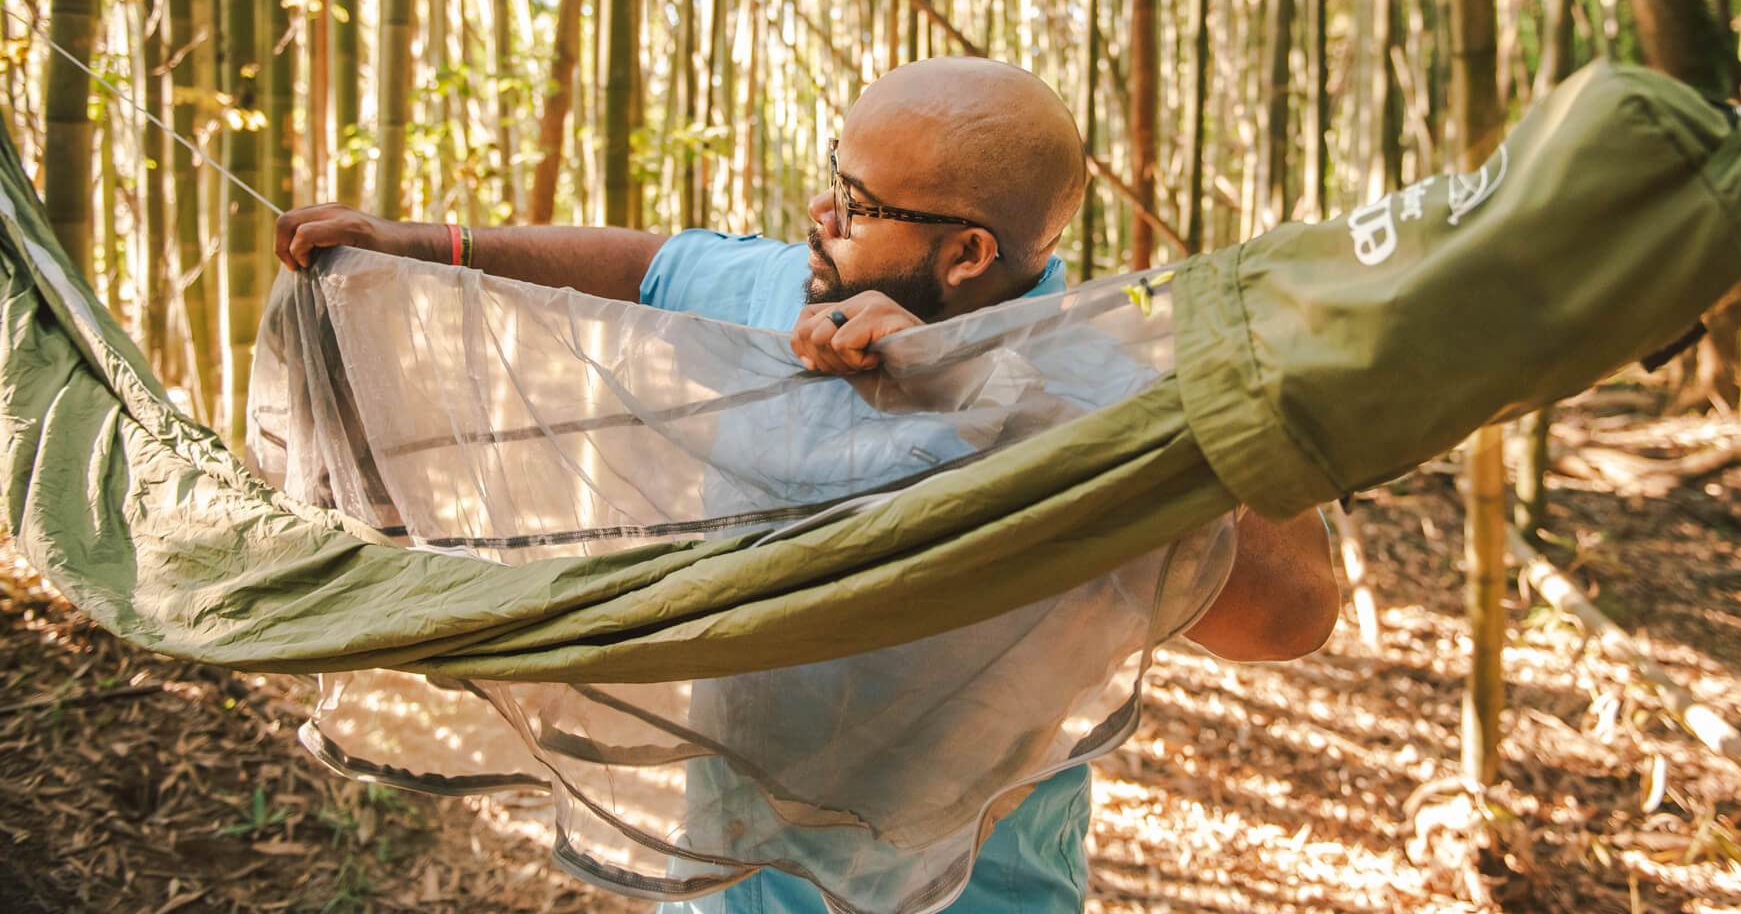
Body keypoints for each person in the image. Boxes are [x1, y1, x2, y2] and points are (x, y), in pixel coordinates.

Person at [274, 55, 1340, 913]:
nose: (818, 214)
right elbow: (648, 266)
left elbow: (1290, 613)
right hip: (732, 879)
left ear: (967, 253)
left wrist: (983, 383)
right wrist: (422, 244)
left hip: (979, 889)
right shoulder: (787, 285)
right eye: (838, 176)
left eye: (857, 200)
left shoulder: (1103, 376)